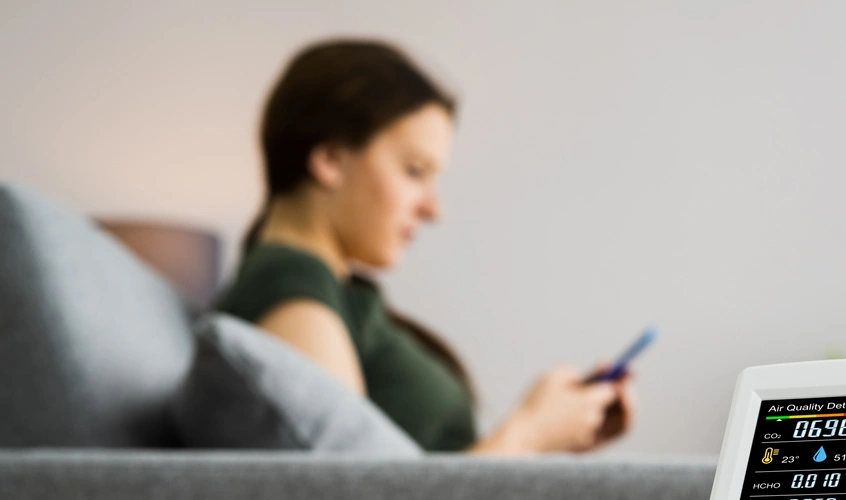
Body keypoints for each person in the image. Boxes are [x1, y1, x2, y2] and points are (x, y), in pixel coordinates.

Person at [216, 40, 636, 453]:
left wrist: (552, 433)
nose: (434, 210)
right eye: (415, 171)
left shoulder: (335, 294)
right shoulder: (291, 289)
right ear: (330, 159)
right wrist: (529, 435)